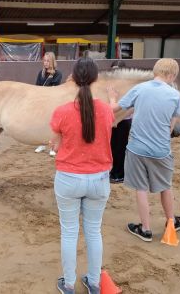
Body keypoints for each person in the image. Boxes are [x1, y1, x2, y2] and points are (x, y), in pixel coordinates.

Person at [49, 57, 114, 294]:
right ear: (96, 79)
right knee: (94, 231)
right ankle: (94, 283)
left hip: (68, 178)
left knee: (69, 232)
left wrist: (58, 144)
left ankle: (68, 284)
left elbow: (54, 145)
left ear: (72, 79)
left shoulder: (62, 112)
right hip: (98, 178)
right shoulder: (107, 111)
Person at [108, 58, 180, 242]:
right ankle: (171, 222)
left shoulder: (139, 89)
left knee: (141, 189)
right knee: (165, 187)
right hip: (161, 150)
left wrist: (112, 96)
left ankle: (145, 229)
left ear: (155, 72)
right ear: (172, 75)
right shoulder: (175, 95)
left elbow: (114, 109)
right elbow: (171, 126)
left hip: (137, 149)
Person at [35, 51, 62, 156]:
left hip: (52, 102)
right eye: (44, 61)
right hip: (41, 102)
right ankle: (42, 144)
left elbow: (54, 88)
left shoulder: (57, 74)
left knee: (52, 125)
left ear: (52, 61)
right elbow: (36, 86)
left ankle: (52, 146)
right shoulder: (40, 73)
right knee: (40, 123)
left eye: (48, 61)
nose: (45, 63)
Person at [109, 60, 132, 184]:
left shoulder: (128, 87)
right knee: (112, 147)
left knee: (119, 148)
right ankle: (112, 171)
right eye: (113, 70)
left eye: (117, 70)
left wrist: (119, 119)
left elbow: (131, 108)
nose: (114, 73)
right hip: (111, 121)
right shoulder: (110, 85)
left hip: (122, 121)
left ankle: (118, 174)